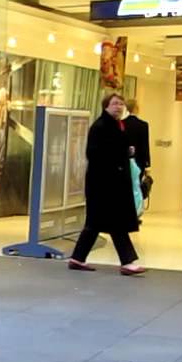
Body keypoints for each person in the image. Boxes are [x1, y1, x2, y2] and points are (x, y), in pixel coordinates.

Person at [67, 93, 145, 275]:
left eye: (121, 103)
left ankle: (78, 258)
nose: (119, 106)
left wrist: (125, 151)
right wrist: (122, 154)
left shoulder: (115, 126)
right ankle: (127, 262)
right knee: (115, 224)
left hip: (107, 184)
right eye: (115, 103)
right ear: (106, 106)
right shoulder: (101, 126)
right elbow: (96, 154)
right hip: (104, 185)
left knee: (95, 223)